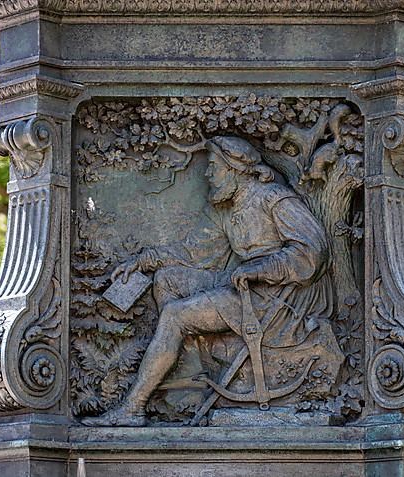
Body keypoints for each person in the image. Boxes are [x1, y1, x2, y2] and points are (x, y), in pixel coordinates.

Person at [82, 136, 333, 426]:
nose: (207, 174)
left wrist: (261, 269)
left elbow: (313, 251)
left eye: (214, 167)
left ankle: (133, 407)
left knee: (176, 316)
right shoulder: (225, 207)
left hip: (275, 299)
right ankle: (188, 371)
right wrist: (142, 261)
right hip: (240, 285)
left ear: (235, 168)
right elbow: (193, 252)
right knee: (167, 280)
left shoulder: (273, 198)